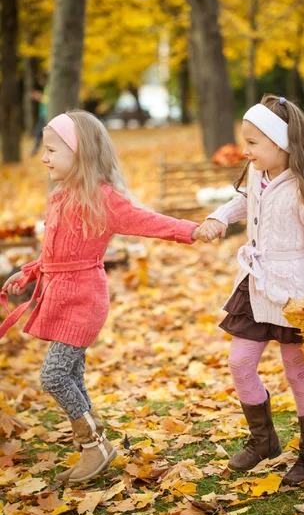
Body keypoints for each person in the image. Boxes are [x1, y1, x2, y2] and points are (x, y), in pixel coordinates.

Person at [0, 110, 207, 484]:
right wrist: (29, 271)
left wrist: (193, 231)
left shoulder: (103, 199)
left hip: (84, 299)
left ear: (79, 154)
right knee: (72, 373)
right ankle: (97, 442)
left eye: (51, 150)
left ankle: (93, 448)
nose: (44, 158)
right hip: (60, 295)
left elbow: (149, 221)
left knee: (54, 375)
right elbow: (56, 251)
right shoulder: (61, 195)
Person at [198, 94, 304, 484]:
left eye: (252, 143)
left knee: (297, 371)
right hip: (256, 284)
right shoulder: (260, 177)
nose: (245, 151)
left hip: (296, 294)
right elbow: (243, 202)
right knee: (240, 363)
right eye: (245, 142)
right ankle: (263, 441)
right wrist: (218, 217)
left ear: (281, 144)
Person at [31, 73, 49, 156]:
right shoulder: (45, 88)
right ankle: (36, 149)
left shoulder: (49, 88)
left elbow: (49, 100)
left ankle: (36, 149)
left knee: (39, 132)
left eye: (41, 79)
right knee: (39, 132)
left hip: (47, 114)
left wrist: (39, 97)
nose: (40, 81)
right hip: (43, 114)